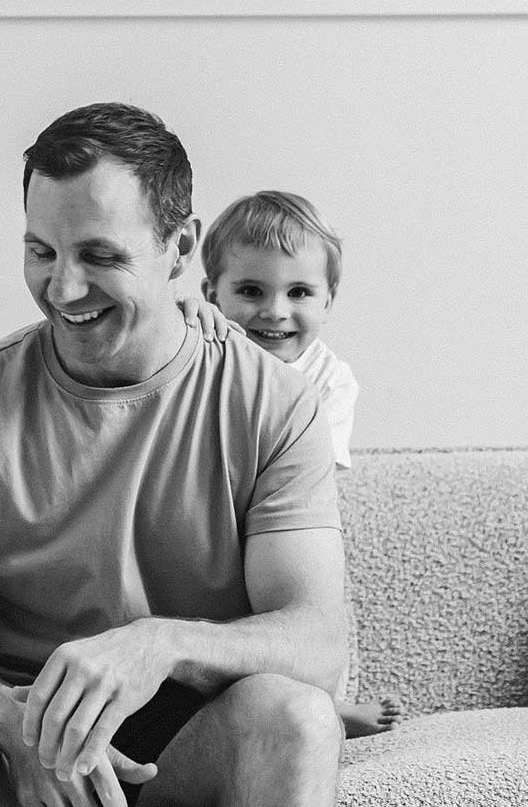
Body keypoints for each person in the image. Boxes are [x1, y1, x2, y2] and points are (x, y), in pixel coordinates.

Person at [0, 103, 348, 807]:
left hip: (189, 737)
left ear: (181, 248)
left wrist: (159, 645)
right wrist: (20, 724)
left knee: (297, 717)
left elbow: (317, 643)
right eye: (42, 252)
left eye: (100, 255)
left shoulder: (274, 402)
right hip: (15, 736)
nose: (63, 289)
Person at [195, 190, 402, 738]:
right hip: (209, 525)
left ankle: (326, 707)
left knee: (307, 611)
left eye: (300, 292)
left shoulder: (330, 380)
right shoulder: (200, 351)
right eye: (250, 291)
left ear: (329, 301)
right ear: (209, 294)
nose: (275, 311)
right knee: (219, 631)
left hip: (288, 519)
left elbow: (311, 479)